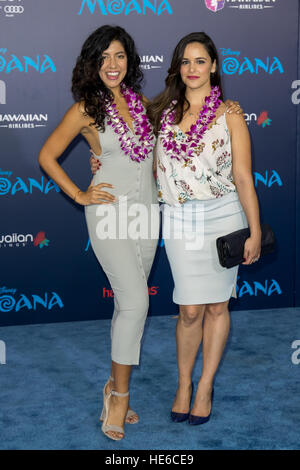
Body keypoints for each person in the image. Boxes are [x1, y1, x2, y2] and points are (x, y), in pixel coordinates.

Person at [38, 25, 159, 441]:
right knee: (137, 303)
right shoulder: (84, 109)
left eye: (120, 56)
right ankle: (121, 397)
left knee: (128, 305)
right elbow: (47, 155)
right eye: (104, 57)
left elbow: (154, 155)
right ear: (92, 63)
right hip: (109, 213)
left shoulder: (142, 104)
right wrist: (79, 193)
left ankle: (110, 387)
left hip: (149, 213)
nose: (112, 64)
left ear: (130, 61)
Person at [147, 32, 261, 425]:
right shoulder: (162, 112)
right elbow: (130, 151)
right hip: (179, 219)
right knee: (190, 310)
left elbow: (244, 177)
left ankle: (205, 386)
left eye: (200, 61)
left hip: (225, 215)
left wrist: (255, 230)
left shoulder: (231, 114)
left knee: (217, 306)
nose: (192, 69)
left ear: (213, 65)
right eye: (185, 61)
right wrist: (99, 163)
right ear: (177, 68)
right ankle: (183, 383)